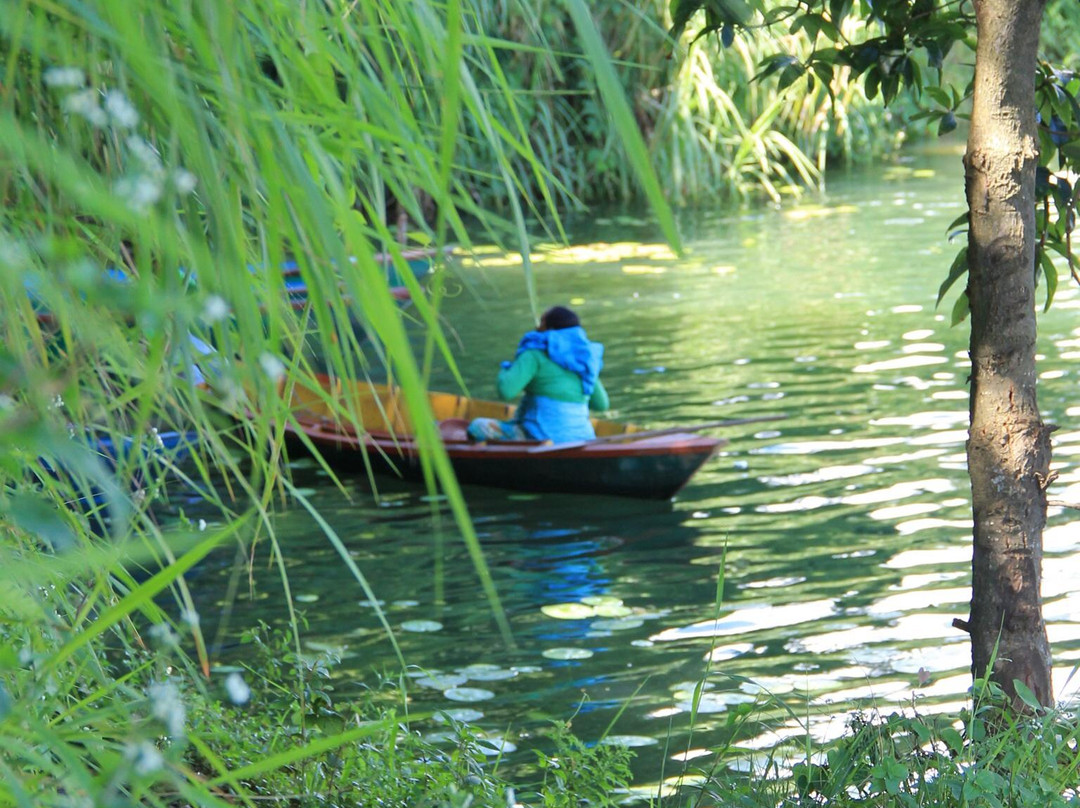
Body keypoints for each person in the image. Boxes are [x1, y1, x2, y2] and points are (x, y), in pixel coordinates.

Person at [467, 305, 609, 443]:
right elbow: (601, 404)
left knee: (478, 426)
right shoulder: (586, 361)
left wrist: (506, 368)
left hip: (541, 438)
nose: (537, 328)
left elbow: (505, 391)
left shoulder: (534, 353)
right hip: (583, 439)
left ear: (550, 328)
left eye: (542, 322)